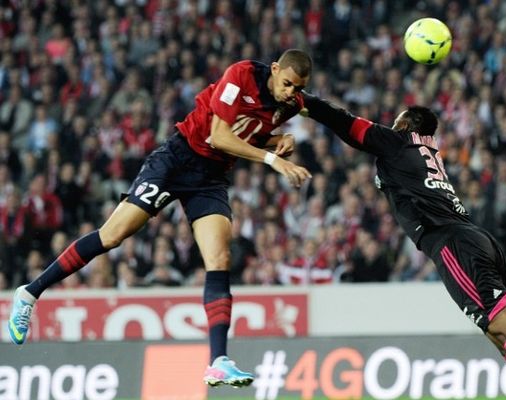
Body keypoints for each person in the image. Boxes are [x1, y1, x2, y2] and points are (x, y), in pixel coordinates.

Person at [8, 49, 313, 388]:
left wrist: (279, 139)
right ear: (274, 69)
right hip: (177, 160)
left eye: (297, 88)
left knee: (219, 257)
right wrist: (273, 158)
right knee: (112, 236)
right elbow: (220, 135)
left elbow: (248, 133)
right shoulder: (241, 75)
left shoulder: (291, 104)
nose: (290, 93)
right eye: (287, 84)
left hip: (210, 178)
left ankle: (218, 361)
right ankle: (30, 293)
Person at [300, 92, 506, 400]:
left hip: (452, 243)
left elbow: (345, 122)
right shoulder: (428, 151)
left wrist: (304, 103)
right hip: (475, 239)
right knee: (502, 338)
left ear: (408, 124)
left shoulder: (399, 142)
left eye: (397, 120)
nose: (391, 124)